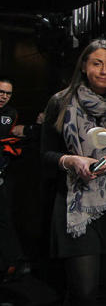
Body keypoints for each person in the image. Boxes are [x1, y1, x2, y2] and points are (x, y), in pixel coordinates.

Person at [40, 40, 106, 306]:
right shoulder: (61, 102)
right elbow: (45, 155)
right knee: (84, 293)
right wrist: (72, 160)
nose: (104, 70)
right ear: (84, 67)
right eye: (97, 63)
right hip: (75, 206)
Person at [0, 77, 27, 282]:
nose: (3, 96)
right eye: (1, 92)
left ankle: (13, 262)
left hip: (3, 174)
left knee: (4, 218)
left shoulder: (10, 114)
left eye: (8, 93)